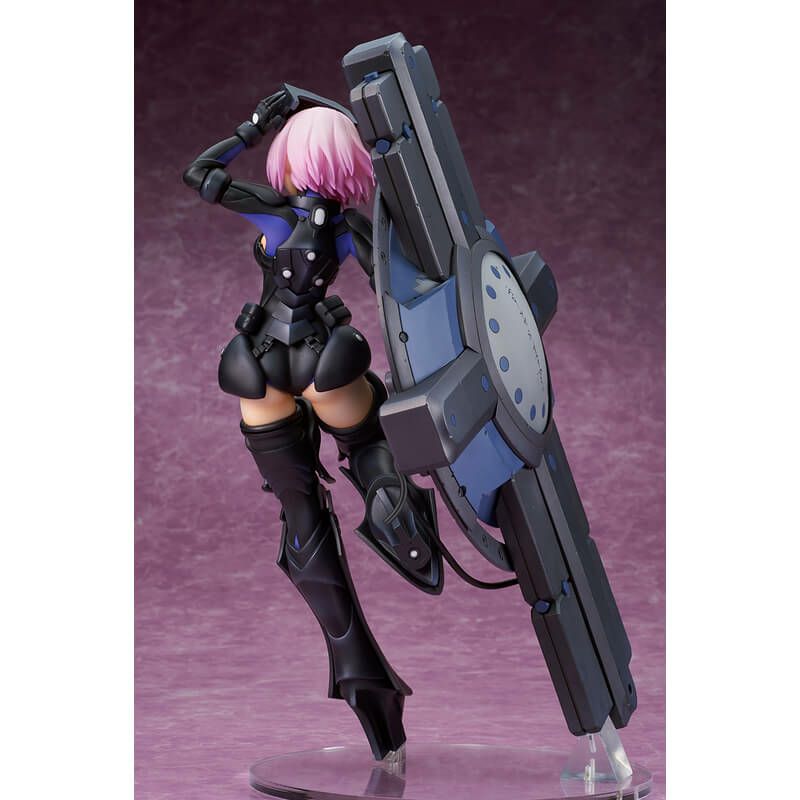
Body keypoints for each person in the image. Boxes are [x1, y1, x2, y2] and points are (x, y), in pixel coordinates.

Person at [182, 86, 440, 759]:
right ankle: (392, 505)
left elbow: (200, 174)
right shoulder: (349, 230)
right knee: (369, 443)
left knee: (301, 514)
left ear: (291, 158)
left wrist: (255, 123)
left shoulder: (271, 210)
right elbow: (407, 286)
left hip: (261, 364)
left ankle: (361, 675)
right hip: (323, 360)